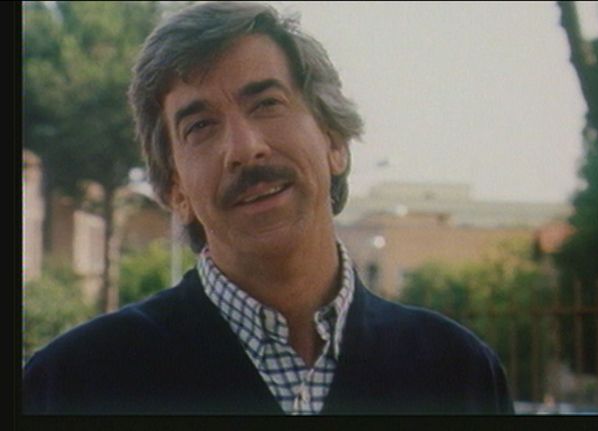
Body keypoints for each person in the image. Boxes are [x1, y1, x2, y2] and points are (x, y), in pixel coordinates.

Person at [23, 1, 511, 415]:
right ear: (175, 190)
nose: (244, 147)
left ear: (334, 141)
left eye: (267, 104)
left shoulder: (459, 376)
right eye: (200, 126)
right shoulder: (70, 388)